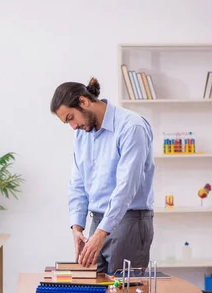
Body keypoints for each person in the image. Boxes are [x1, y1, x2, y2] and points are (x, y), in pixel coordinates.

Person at [50, 77, 155, 275]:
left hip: (129, 222)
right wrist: (77, 227)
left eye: (71, 117)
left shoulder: (131, 127)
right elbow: (77, 182)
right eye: (67, 122)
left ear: (83, 101)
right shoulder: (82, 134)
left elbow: (127, 187)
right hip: (97, 222)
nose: (72, 126)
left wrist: (101, 233)